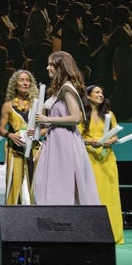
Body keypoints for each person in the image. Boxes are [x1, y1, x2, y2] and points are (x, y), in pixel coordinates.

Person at [33, 51, 99, 205]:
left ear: (60, 67)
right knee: (53, 178)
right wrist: (44, 125)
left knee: (63, 178)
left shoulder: (67, 88)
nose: (47, 68)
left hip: (64, 141)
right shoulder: (60, 89)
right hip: (56, 139)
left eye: (51, 64)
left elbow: (76, 117)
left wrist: (47, 118)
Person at [79, 85, 124, 244]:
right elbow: (77, 137)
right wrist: (91, 142)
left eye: (102, 92)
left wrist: (109, 141)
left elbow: (115, 136)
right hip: (89, 157)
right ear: (88, 96)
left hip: (107, 157)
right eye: (97, 92)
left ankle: (113, 233)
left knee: (109, 195)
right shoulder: (82, 115)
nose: (101, 95)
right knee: (93, 194)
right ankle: (92, 232)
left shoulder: (109, 115)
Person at [0, 69, 41, 205]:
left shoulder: (37, 105)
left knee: (35, 184)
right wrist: (10, 135)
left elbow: (45, 127)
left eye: (28, 80)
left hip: (34, 149)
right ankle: (12, 219)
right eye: (22, 80)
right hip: (14, 149)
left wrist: (37, 133)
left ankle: (37, 217)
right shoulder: (8, 106)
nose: (25, 83)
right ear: (15, 84)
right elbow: (1, 129)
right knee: (13, 184)